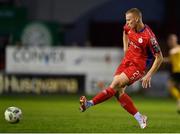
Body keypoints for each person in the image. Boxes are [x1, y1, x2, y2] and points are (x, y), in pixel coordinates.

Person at [79, 8, 163, 129]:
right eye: (126, 20)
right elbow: (125, 32)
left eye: (129, 20)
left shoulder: (149, 37)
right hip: (126, 61)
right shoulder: (129, 26)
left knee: (116, 83)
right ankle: (140, 118)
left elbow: (159, 57)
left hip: (138, 67)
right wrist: (125, 49)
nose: (127, 23)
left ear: (137, 19)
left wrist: (149, 74)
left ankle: (89, 104)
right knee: (118, 92)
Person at [164, 34, 180, 113]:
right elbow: (171, 60)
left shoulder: (177, 49)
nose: (170, 42)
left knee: (170, 85)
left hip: (178, 71)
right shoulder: (172, 50)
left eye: (172, 40)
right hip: (175, 72)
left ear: (175, 40)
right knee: (171, 86)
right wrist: (161, 60)